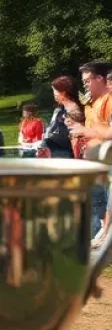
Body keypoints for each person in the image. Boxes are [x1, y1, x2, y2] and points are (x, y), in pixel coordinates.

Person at [69, 61, 112, 240]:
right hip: (96, 160)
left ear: (100, 78)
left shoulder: (109, 100)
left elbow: (109, 132)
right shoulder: (92, 103)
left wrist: (85, 130)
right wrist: (79, 128)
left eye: (88, 80)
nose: (85, 84)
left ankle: (104, 238)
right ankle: (102, 235)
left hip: (107, 159)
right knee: (98, 202)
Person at [44, 76, 85, 160]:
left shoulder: (73, 108)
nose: (54, 94)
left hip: (67, 153)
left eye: (55, 91)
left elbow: (78, 133)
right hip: (56, 151)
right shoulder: (62, 108)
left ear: (63, 92)